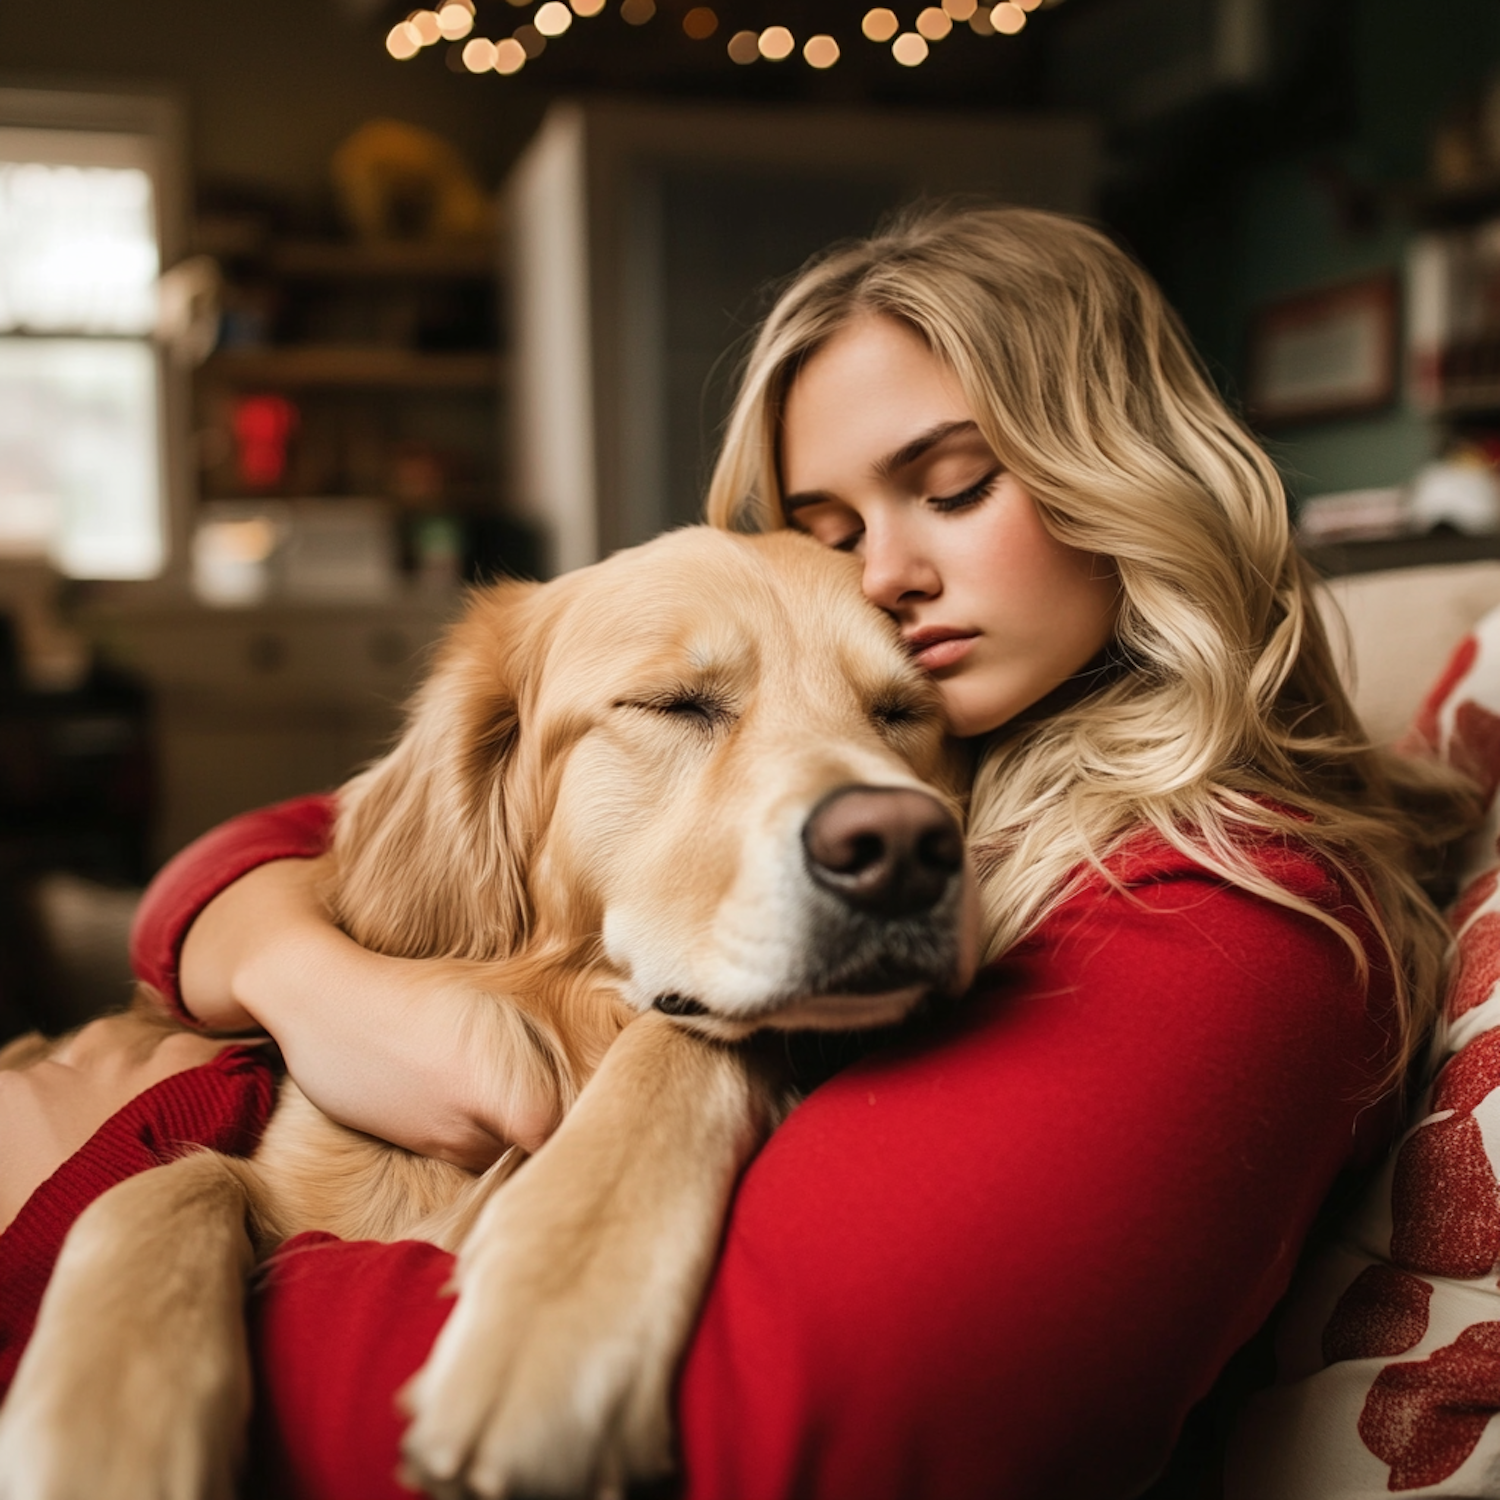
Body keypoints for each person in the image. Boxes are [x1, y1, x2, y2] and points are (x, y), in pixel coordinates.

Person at [0, 206, 1476, 1498]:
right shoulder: (952, 723)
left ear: (1132, 472)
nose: (882, 577)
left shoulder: (1225, 917)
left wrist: (49, 1213)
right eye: (826, 526)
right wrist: (303, 974)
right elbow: (317, 837)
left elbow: (775, 1448)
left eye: (955, 485)